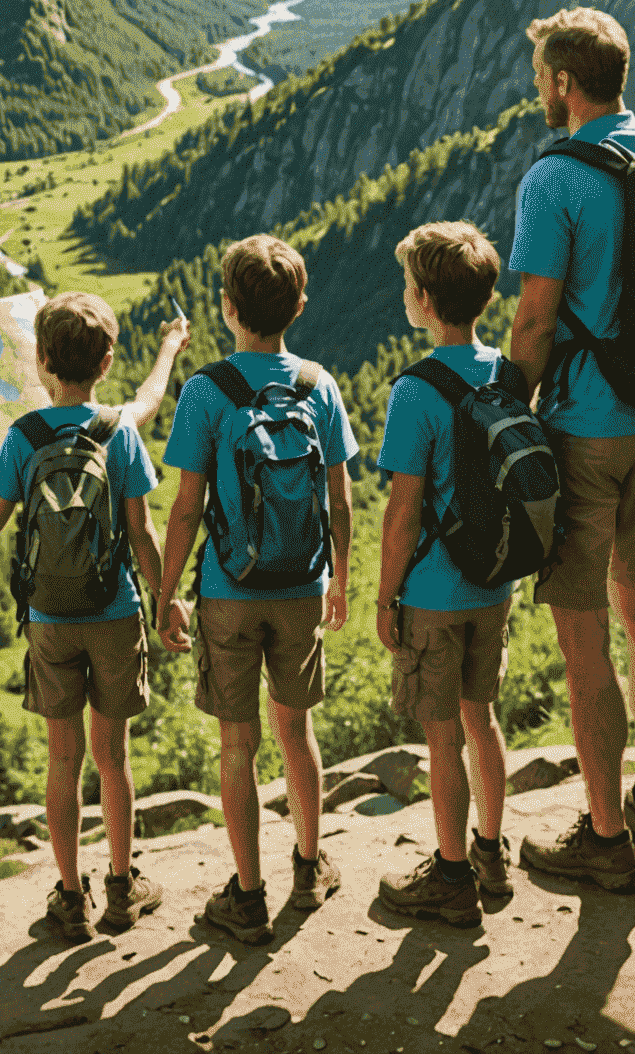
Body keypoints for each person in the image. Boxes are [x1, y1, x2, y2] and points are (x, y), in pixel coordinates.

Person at [509, 7, 635, 894]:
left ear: (566, 83)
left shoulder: (556, 177)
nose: (538, 88)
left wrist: (507, 411)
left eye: (542, 74)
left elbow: (536, 315)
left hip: (585, 425)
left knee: (582, 637)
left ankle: (605, 837)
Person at [0, 293, 186, 942]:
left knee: (63, 761)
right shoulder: (119, 429)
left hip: (49, 619)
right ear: (107, 361)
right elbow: (142, 532)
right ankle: (120, 888)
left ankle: (71, 898)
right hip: (115, 613)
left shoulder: (26, 435)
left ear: (43, 360)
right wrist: (167, 601)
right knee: (114, 759)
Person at [157, 234, 356, 946]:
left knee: (237, 745)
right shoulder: (318, 384)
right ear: (298, 307)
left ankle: (247, 896)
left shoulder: (206, 391)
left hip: (229, 591)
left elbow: (185, 507)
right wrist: (340, 574)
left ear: (226, 309)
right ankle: (310, 866)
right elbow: (339, 492)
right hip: (303, 584)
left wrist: (164, 590)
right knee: (296, 732)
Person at [373, 222, 514, 928]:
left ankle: (453, 876)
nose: (404, 294)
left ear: (424, 300)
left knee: (441, 739)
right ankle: (491, 850)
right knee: (482, 718)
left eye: (407, 286)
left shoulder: (416, 391)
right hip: (495, 582)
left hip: (431, 588)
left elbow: (402, 512)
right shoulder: (508, 372)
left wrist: (384, 596)